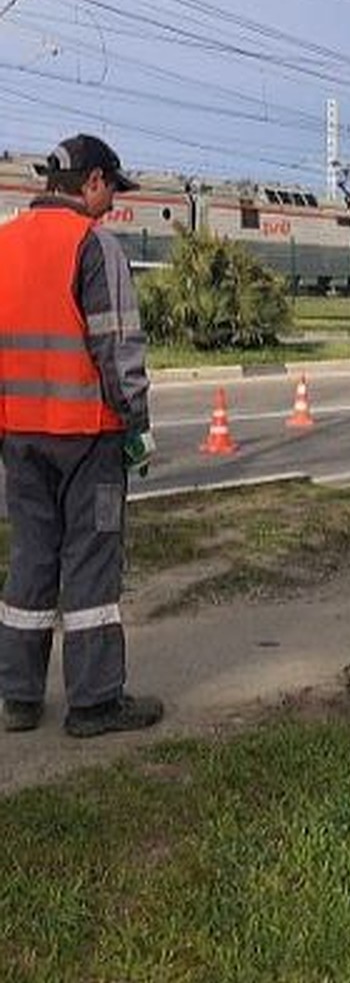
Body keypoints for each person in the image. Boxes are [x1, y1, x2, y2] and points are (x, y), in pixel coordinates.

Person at [0, 134, 163, 737]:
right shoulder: (94, 247)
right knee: (92, 566)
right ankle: (93, 703)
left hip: (20, 436)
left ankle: (18, 696)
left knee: (31, 560)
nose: (114, 204)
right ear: (92, 181)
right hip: (88, 437)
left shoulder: (5, 241)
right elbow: (117, 346)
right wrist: (136, 424)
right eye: (112, 190)